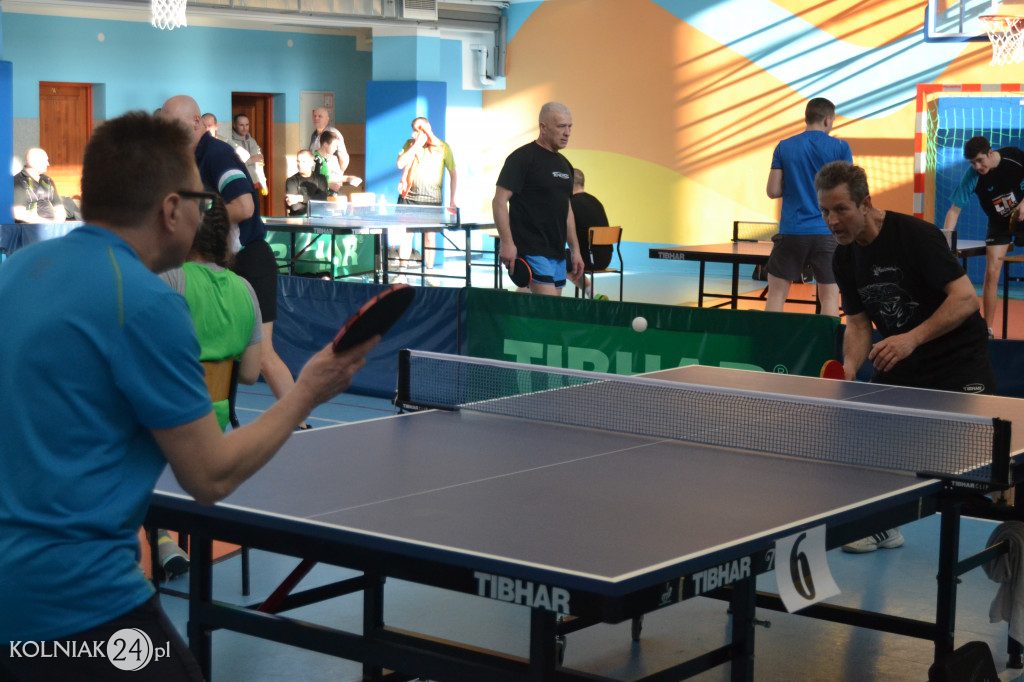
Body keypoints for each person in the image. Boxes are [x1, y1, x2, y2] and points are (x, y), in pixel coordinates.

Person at [0, 111, 376, 681]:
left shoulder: (18, 270)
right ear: (172, 209)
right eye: (202, 199)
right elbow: (209, 476)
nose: (207, 214)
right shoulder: (148, 304)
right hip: (81, 602)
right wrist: (306, 394)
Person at [818, 160, 994, 553]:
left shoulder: (916, 236)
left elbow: (966, 299)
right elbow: (859, 325)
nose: (832, 221)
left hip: (957, 360)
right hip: (902, 361)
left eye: (841, 209)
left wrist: (910, 339)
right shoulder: (844, 257)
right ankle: (884, 525)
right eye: (825, 211)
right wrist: (849, 369)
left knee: (974, 468)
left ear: (865, 203)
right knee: (869, 437)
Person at [161, 95, 305, 427]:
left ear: (196, 122)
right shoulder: (184, 160)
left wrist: (196, 218)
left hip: (249, 258)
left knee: (263, 355)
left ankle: (301, 426)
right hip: (218, 262)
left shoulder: (217, 154)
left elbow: (244, 206)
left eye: (173, 123)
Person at [765, 97, 852, 317]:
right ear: (827, 119)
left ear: (807, 117)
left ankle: (769, 338)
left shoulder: (784, 147)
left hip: (791, 232)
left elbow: (773, 191)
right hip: (828, 232)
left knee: (776, 295)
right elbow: (846, 190)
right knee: (830, 297)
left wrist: (794, 185)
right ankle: (827, 340)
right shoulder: (840, 147)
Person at [492, 101, 584, 295]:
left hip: (557, 251)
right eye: (561, 126)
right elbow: (499, 201)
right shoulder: (522, 158)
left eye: (570, 127)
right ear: (543, 127)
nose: (567, 133)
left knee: (548, 309)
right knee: (548, 308)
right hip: (531, 249)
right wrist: (507, 243)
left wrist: (575, 250)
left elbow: (567, 210)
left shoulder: (565, 165)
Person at [943, 135, 1024, 337]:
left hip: (1023, 214)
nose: (977, 166)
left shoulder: (1014, 157)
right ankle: (987, 330)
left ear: (990, 152)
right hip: (999, 225)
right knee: (991, 273)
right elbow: (954, 210)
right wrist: (945, 241)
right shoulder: (972, 176)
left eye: (980, 160)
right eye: (972, 163)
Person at [396, 116, 457, 270]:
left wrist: (452, 199)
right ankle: (402, 272)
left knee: (430, 237)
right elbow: (400, 164)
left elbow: (453, 174)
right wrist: (416, 145)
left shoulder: (443, 147)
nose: (420, 131)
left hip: (432, 200)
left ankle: (429, 273)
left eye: (422, 128)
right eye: (416, 129)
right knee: (406, 235)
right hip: (409, 198)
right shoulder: (410, 144)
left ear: (428, 128)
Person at [567, 168, 611, 296]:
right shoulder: (596, 202)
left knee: (553, 258)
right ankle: (592, 294)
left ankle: (591, 293)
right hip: (606, 258)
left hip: (588, 259)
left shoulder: (571, 205)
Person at [12, 148, 66, 223]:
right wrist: (48, 223)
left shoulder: (47, 180)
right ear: (31, 162)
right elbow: (18, 213)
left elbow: (59, 207)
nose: (48, 164)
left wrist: (59, 224)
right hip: (30, 227)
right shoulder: (18, 181)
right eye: (44, 161)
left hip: (52, 226)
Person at [230, 113, 267, 193]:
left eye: (247, 125)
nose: (245, 128)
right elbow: (231, 164)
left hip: (254, 183)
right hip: (239, 183)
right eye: (241, 125)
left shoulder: (252, 141)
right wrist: (251, 160)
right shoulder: (231, 142)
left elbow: (259, 163)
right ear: (235, 125)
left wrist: (263, 182)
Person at [285, 149, 328, 216]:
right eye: (298, 161)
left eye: (304, 161)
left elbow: (322, 199)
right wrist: (314, 203)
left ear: (312, 163)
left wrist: (300, 198)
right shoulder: (291, 181)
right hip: (298, 218)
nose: (300, 164)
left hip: (319, 217)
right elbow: (295, 207)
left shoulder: (321, 179)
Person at [309, 106, 350, 175]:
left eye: (320, 116)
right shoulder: (314, 134)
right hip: (316, 175)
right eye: (315, 116)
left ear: (327, 119)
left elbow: (343, 157)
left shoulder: (333, 133)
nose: (316, 118)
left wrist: (339, 174)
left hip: (330, 175)